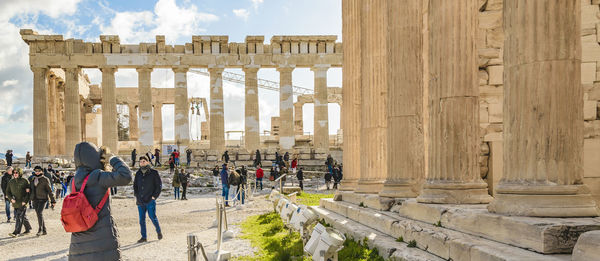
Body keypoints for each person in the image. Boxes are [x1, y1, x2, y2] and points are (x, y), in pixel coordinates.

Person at [68, 142, 132, 260]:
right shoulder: (98, 177)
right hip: (103, 242)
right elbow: (126, 176)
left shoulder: (72, 182)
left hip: (78, 244)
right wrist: (113, 159)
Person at [134, 156, 163, 243]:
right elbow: (135, 186)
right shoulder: (138, 173)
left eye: (143, 161)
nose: (142, 163)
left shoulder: (154, 173)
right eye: (140, 161)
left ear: (148, 162)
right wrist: (136, 195)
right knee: (141, 220)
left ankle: (158, 231)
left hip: (150, 200)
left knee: (152, 217)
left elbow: (159, 186)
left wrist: (154, 196)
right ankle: (144, 237)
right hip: (140, 200)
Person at [30, 166, 56, 236]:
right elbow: (31, 188)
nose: (37, 172)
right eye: (36, 171)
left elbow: (50, 191)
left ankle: (40, 230)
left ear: (41, 171)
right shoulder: (33, 179)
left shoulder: (45, 179)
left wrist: (53, 201)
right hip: (35, 199)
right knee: (39, 214)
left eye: (39, 170)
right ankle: (44, 230)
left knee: (39, 213)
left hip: (43, 199)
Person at [6, 168, 31, 237]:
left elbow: (28, 193)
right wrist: (11, 199)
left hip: (23, 202)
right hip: (15, 202)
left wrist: (25, 201)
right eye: (14, 173)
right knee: (23, 216)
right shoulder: (11, 182)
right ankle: (28, 228)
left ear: (19, 173)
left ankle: (16, 232)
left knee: (18, 216)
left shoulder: (25, 181)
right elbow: (7, 192)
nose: (15, 174)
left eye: (16, 173)